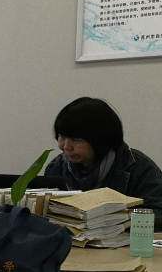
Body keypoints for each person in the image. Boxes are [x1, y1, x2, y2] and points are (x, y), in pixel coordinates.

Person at [44, 97, 162, 229]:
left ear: (101, 139)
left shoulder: (139, 168)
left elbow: (158, 215)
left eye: (76, 139)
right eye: (62, 137)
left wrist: (113, 217)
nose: (66, 146)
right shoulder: (57, 167)